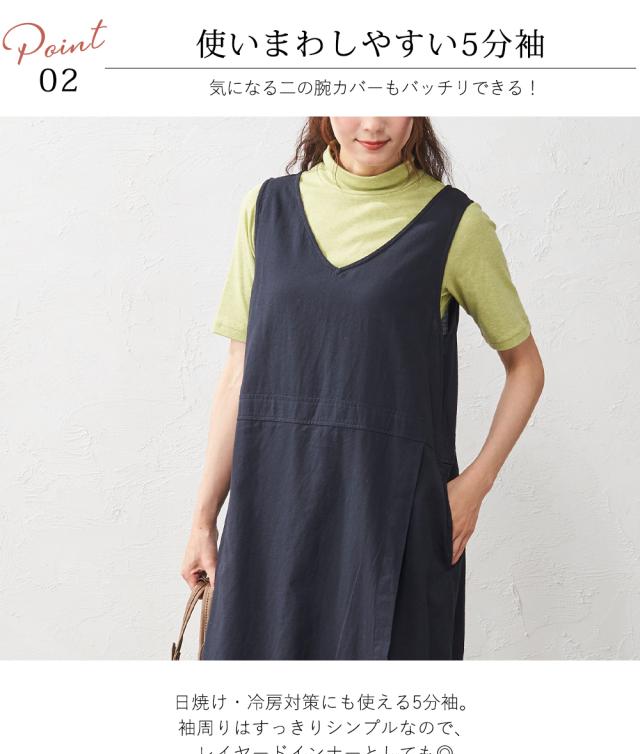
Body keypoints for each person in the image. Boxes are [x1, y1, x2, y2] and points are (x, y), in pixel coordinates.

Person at [181, 117, 545, 660]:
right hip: (271, 516)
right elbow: (239, 372)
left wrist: (475, 486)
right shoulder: (267, 210)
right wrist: (203, 518)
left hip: (390, 524)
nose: (374, 123)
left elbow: (526, 368)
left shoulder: (454, 225)